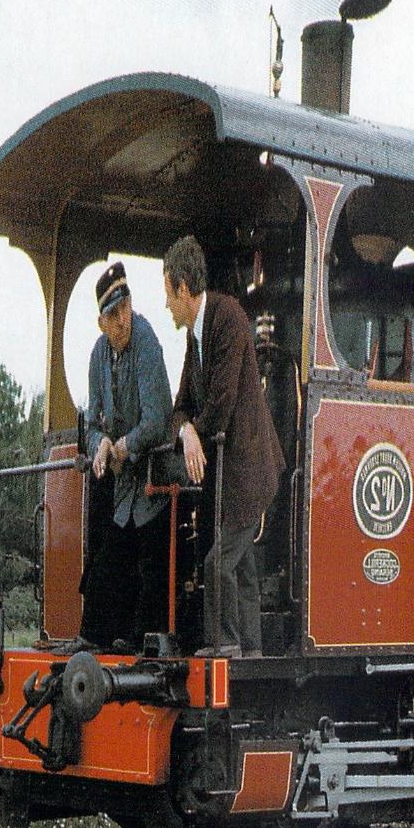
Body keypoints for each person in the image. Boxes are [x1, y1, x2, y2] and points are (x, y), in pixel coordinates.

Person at [163, 236, 285, 658]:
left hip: (249, 472)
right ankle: (251, 649)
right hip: (228, 478)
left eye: (167, 294)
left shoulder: (227, 316)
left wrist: (195, 428)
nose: (166, 307)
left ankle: (227, 645)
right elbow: (180, 407)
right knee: (243, 568)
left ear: (182, 288)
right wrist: (187, 432)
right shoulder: (194, 339)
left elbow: (221, 401)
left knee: (218, 565)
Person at [63, 260, 173, 654]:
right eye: (113, 314)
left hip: (152, 481)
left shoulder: (146, 341)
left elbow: (158, 418)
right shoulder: (97, 356)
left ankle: (138, 645)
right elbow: (92, 424)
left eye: (125, 308)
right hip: (121, 485)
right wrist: (100, 447)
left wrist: (123, 445)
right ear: (101, 323)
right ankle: (92, 641)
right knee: (107, 560)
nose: (122, 319)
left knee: (149, 568)